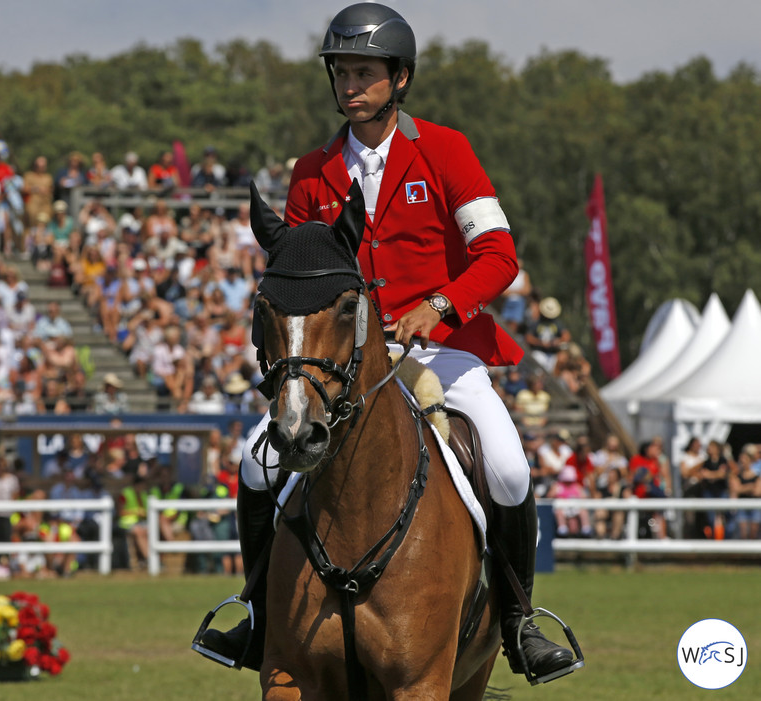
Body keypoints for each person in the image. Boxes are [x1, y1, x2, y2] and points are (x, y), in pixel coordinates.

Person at [197, 3, 577, 682]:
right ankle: (254, 613)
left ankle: (520, 621)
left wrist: (440, 304)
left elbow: (498, 253)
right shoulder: (312, 172)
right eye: (341, 72)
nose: (350, 85)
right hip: (341, 361)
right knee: (253, 465)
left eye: (364, 72)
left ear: (399, 79)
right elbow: (295, 271)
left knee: (511, 469)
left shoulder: (446, 151)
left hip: (441, 351)